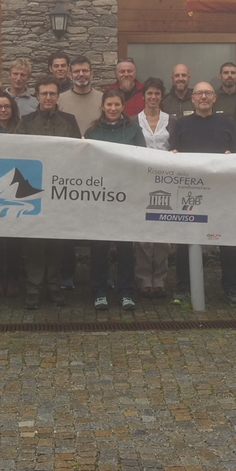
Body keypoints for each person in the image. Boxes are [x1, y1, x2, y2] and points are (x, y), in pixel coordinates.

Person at [168, 81, 236, 307]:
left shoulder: (227, 124)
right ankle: (184, 286)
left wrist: (231, 156)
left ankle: (231, 288)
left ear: (214, 98)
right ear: (193, 98)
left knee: (227, 239)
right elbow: (173, 153)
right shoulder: (181, 124)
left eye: (208, 93)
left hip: (221, 192)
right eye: (199, 93)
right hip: (191, 191)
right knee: (186, 240)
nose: (203, 97)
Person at [19, 75, 80, 308]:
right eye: (44, 93)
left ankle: (54, 286)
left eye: (52, 93)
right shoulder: (26, 121)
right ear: (37, 95)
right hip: (32, 189)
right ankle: (33, 289)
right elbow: (18, 152)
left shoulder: (69, 121)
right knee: (34, 242)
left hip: (59, 189)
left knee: (56, 240)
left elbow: (77, 152)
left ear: (58, 96)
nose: (48, 97)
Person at [84, 89, 145, 311]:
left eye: (117, 104)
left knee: (125, 248)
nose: (112, 108)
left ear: (122, 106)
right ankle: (100, 292)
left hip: (125, 197)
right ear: (102, 106)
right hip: (100, 197)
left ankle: (126, 292)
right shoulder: (92, 132)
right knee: (99, 247)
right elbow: (85, 163)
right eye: (109, 104)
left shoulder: (134, 130)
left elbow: (142, 159)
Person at [134, 77, 171, 298]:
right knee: (143, 232)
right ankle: (143, 278)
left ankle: (160, 278)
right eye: (150, 93)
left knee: (163, 231)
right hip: (142, 180)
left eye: (157, 93)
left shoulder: (171, 121)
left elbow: (176, 147)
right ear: (143, 96)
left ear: (161, 96)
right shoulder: (133, 121)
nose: (153, 97)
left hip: (166, 181)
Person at [0, 93, 26, 297]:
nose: (3, 110)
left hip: (16, 190)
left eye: (6, 106)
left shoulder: (22, 130)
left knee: (14, 238)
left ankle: (13, 276)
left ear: (13, 109)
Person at [59, 56, 103, 136]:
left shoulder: (103, 99)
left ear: (91, 74)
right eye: (77, 71)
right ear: (70, 75)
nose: (81, 74)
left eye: (85, 71)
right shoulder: (59, 100)